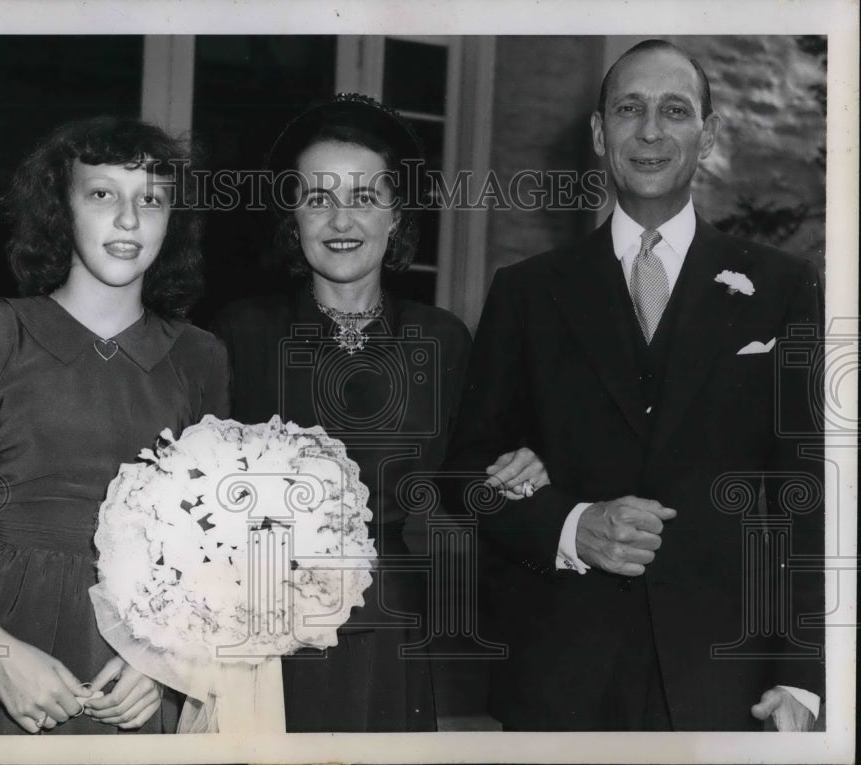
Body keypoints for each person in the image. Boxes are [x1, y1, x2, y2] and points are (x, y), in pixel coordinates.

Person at [444, 40, 825, 731]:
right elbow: (467, 475)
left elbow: (807, 490)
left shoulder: (782, 287)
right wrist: (571, 525)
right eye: (629, 109)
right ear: (599, 134)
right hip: (561, 681)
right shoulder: (527, 293)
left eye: (674, 111)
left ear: (706, 136)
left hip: (728, 680)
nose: (650, 130)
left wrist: (802, 675)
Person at [0, 116, 230, 734]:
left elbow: (213, 546)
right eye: (102, 194)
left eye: (151, 199)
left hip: (134, 676)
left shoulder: (200, 355)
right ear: (60, 208)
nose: (129, 219)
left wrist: (162, 662)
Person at [212, 93, 473, 732]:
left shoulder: (442, 340)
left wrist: (521, 465)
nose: (340, 219)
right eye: (318, 198)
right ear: (292, 216)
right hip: (261, 625)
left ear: (397, 215)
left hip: (388, 622)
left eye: (363, 196)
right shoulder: (238, 334)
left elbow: (473, 475)